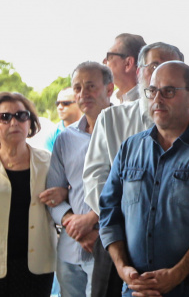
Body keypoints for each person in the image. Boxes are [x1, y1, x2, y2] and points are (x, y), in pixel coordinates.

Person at [84, 42, 189, 297]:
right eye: (153, 90)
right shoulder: (130, 146)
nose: (157, 99)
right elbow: (108, 206)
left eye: (168, 91)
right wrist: (125, 270)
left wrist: (175, 275)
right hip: (133, 285)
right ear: (141, 74)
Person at [41, 63, 114, 297]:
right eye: (78, 88)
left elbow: (127, 191)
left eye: (91, 86)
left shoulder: (124, 132)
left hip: (109, 248)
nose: (83, 94)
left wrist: (92, 223)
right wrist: (75, 225)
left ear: (109, 88)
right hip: (69, 252)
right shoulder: (65, 138)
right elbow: (52, 193)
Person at [0, 92, 56, 297]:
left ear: (30, 122)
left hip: (37, 265)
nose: (13, 121)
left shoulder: (48, 162)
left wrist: (61, 194)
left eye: (21, 115)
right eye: (5, 117)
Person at [102, 34, 145, 104]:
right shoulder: (111, 99)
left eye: (109, 56)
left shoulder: (148, 102)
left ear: (128, 63)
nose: (104, 61)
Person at [45, 88, 82, 152]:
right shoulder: (53, 135)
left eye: (65, 103)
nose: (60, 107)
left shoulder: (93, 128)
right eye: (57, 103)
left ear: (79, 103)